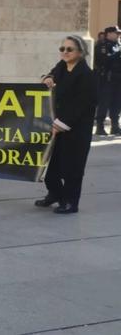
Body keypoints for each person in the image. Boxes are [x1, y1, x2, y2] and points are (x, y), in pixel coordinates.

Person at [37, 36, 97, 214]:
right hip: (59, 126)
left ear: (80, 52)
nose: (65, 52)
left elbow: (84, 104)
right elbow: (51, 74)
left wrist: (62, 124)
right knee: (53, 168)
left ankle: (71, 202)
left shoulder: (86, 75)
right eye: (62, 48)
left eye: (69, 49)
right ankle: (55, 194)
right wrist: (48, 78)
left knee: (73, 169)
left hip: (77, 129)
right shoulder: (62, 66)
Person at [93, 26, 121, 135]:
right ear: (108, 34)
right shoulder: (102, 45)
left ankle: (115, 126)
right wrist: (116, 54)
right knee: (104, 103)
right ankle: (100, 127)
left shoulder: (118, 45)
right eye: (116, 33)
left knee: (116, 103)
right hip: (106, 79)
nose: (118, 35)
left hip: (118, 78)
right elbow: (103, 60)